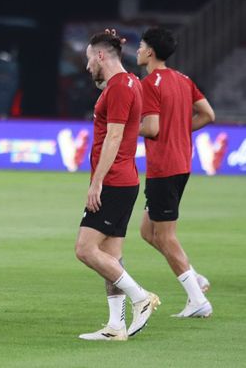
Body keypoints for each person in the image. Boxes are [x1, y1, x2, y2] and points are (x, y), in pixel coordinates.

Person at [75, 30, 159, 341]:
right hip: (123, 179)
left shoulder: (121, 88)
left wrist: (96, 182)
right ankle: (115, 326)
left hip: (113, 182)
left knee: (85, 250)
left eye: (88, 59)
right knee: (111, 258)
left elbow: (114, 136)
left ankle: (141, 298)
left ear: (100, 56)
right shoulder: (128, 83)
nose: (86, 67)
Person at [136, 27, 216, 318]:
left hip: (164, 167)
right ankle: (194, 278)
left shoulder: (150, 84)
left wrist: (125, 126)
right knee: (148, 231)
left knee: (166, 236)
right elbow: (208, 114)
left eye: (141, 45)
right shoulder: (183, 80)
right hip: (181, 163)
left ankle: (197, 301)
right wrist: (181, 129)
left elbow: (152, 128)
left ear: (151, 52)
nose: (138, 50)